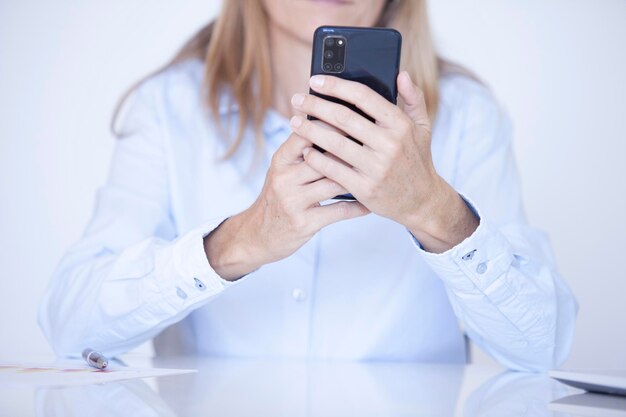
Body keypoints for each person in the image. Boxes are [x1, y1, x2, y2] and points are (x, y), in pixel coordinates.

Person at [39, 0, 577, 371]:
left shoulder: (467, 116)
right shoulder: (168, 109)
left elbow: (540, 347)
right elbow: (71, 324)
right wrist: (239, 241)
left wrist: (434, 209)